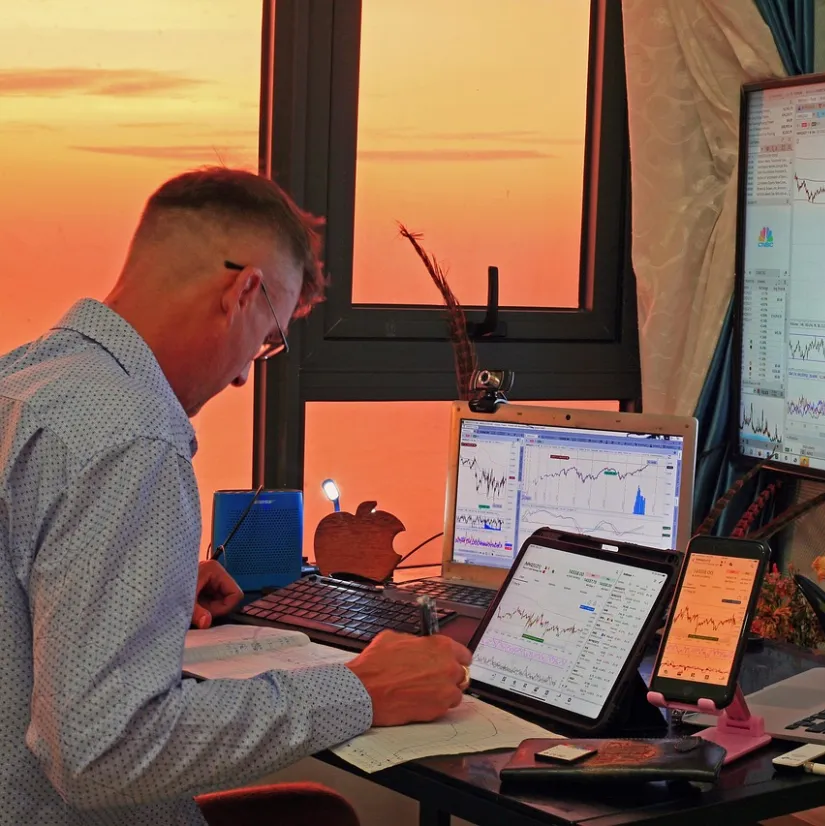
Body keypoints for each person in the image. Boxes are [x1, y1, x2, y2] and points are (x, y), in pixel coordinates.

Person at [0, 166, 473, 825]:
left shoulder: (25, 380)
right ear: (243, 291)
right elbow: (101, 750)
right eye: (270, 335)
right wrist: (359, 692)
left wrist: (144, 588)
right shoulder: (133, 434)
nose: (248, 372)